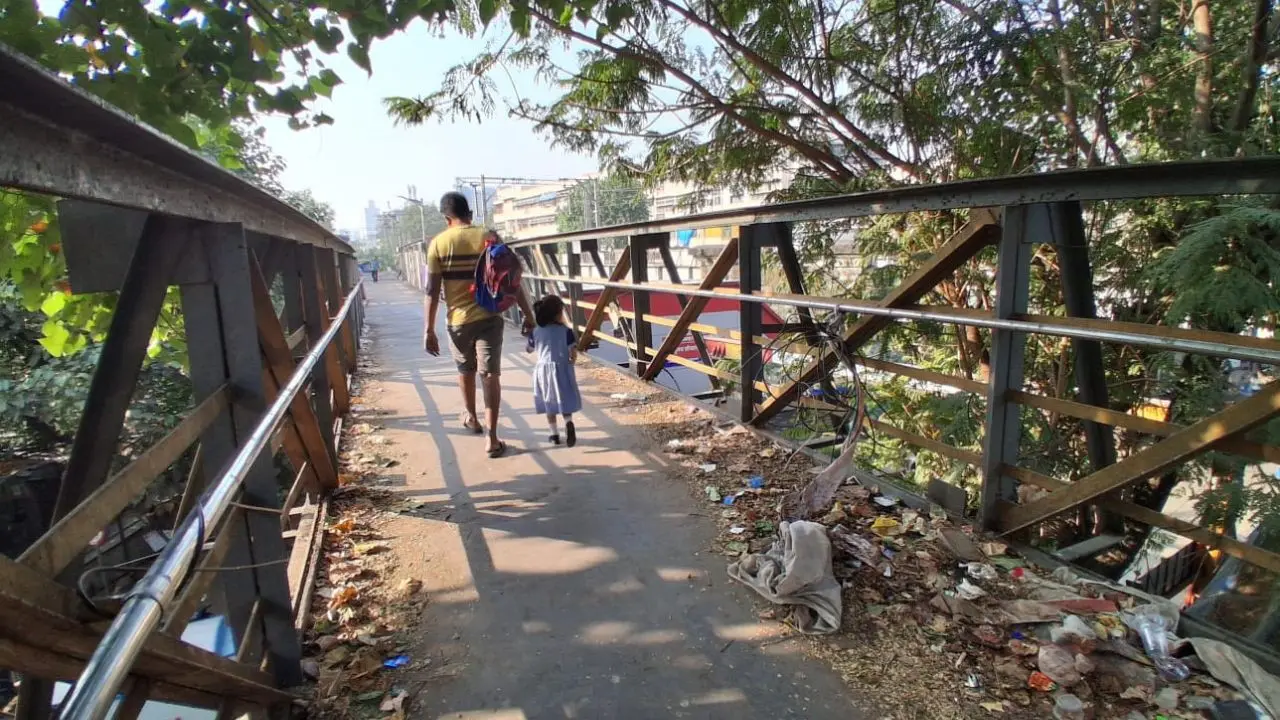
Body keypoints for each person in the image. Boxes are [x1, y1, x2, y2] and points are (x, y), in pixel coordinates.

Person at [423, 191, 534, 457]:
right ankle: (492, 439)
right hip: (490, 317)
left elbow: (431, 290)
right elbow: (512, 280)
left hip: (458, 321)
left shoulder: (438, 244)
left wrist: (428, 330)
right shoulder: (488, 236)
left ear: (446, 218)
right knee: (490, 375)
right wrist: (530, 317)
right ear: (469, 214)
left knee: (465, 370)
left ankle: (471, 417)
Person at [527, 294, 583, 447]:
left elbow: (529, 349)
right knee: (563, 399)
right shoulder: (566, 331)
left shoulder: (536, 332)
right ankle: (568, 422)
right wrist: (571, 361)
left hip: (543, 371)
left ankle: (554, 434)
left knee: (549, 402)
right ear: (559, 314)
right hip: (562, 368)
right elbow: (573, 352)